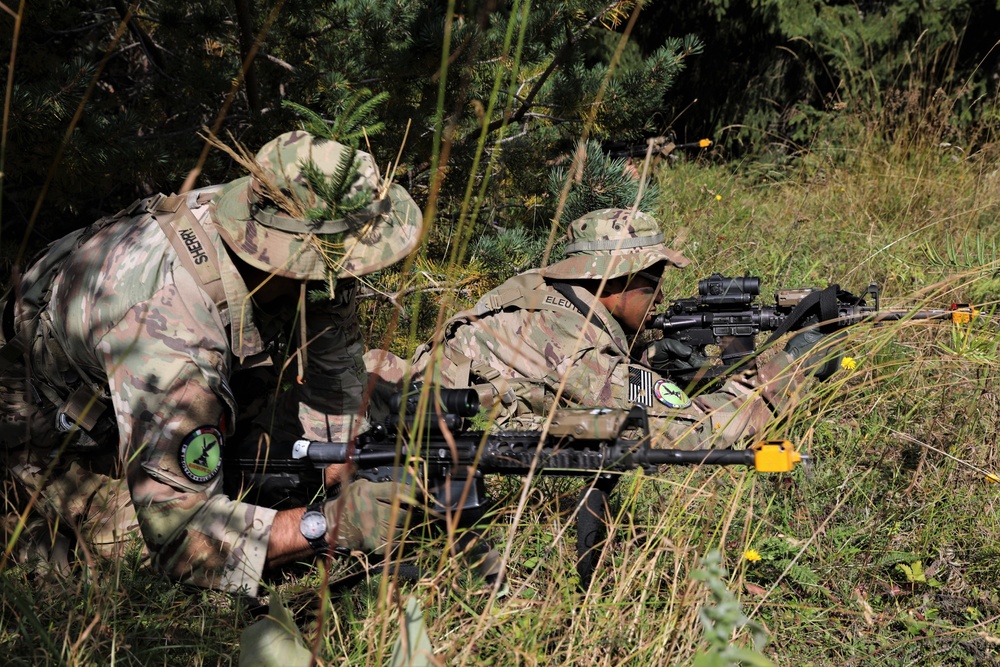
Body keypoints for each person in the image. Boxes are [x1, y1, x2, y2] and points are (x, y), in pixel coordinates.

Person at [0, 130, 423, 596]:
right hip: (46, 419)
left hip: (149, 384)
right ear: (296, 256)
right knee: (142, 562)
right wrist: (329, 524)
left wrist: (345, 461)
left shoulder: (272, 220)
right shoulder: (172, 327)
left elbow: (334, 379)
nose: (360, 268)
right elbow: (180, 539)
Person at [372, 208, 840, 448]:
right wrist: (789, 368)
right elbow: (694, 432)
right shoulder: (578, 352)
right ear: (611, 280)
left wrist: (651, 356)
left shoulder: (541, 292)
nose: (660, 293)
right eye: (653, 278)